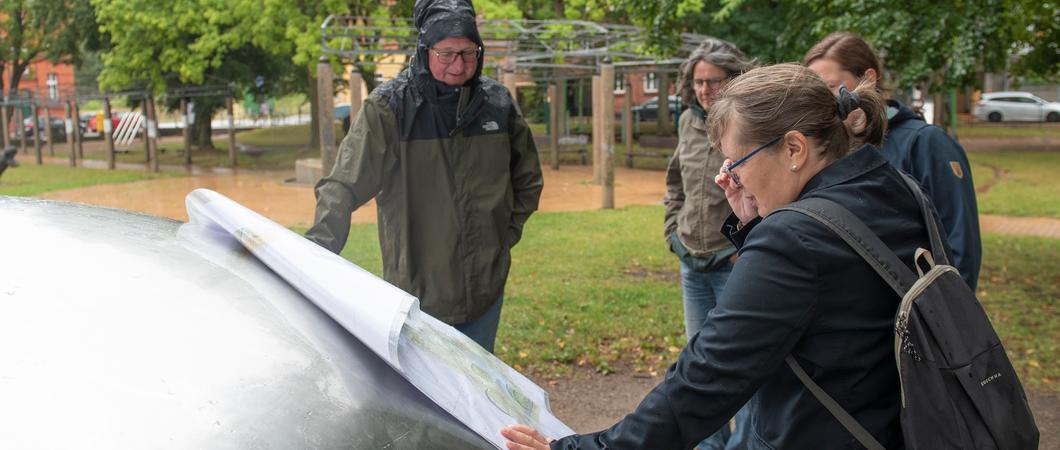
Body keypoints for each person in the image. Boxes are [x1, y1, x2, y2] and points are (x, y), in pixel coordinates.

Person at [502, 63, 934, 449]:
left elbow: (705, 379)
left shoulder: (794, 239)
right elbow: (827, 306)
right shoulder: (896, 187)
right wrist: (757, 220)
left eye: (736, 162)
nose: (727, 177)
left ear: (794, 149)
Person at [305, 0, 544, 353]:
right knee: (421, 400)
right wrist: (314, 254)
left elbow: (528, 180)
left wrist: (501, 237)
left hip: (484, 290)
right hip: (415, 295)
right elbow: (343, 184)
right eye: (446, 53)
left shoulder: (498, 104)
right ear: (424, 50)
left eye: (468, 52)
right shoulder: (389, 109)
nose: (458, 65)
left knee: (474, 394)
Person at [804, 31, 981, 290]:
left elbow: (960, 242)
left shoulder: (925, 142)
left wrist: (951, 320)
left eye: (830, 87)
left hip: (915, 310)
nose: (823, 101)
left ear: (869, 78)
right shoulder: (823, 149)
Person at [663, 37, 755, 450]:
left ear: (734, 79)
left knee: (744, 363)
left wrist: (746, 246)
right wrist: (672, 231)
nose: (704, 90)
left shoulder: (750, 126)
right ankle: (707, 445)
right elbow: (674, 182)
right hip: (692, 265)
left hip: (732, 265)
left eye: (713, 81)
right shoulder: (686, 121)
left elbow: (763, 192)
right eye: (698, 82)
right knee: (700, 366)